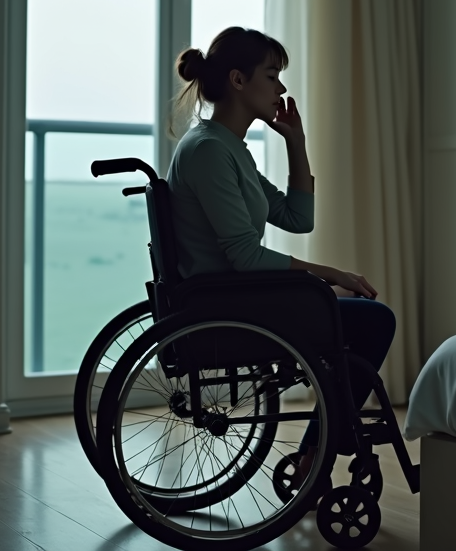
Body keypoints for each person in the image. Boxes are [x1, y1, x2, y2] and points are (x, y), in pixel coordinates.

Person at [166, 26, 396, 487]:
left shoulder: (227, 147)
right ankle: (322, 448)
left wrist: (297, 143)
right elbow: (246, 258)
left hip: (240, 297)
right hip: (227, 305)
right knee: (374, 320)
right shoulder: (209, 150)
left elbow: (296, 218)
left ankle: (320, 446)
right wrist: (330, 274)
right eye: (272, 76)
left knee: (358, 313)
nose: (281, 88)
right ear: (237, 80)